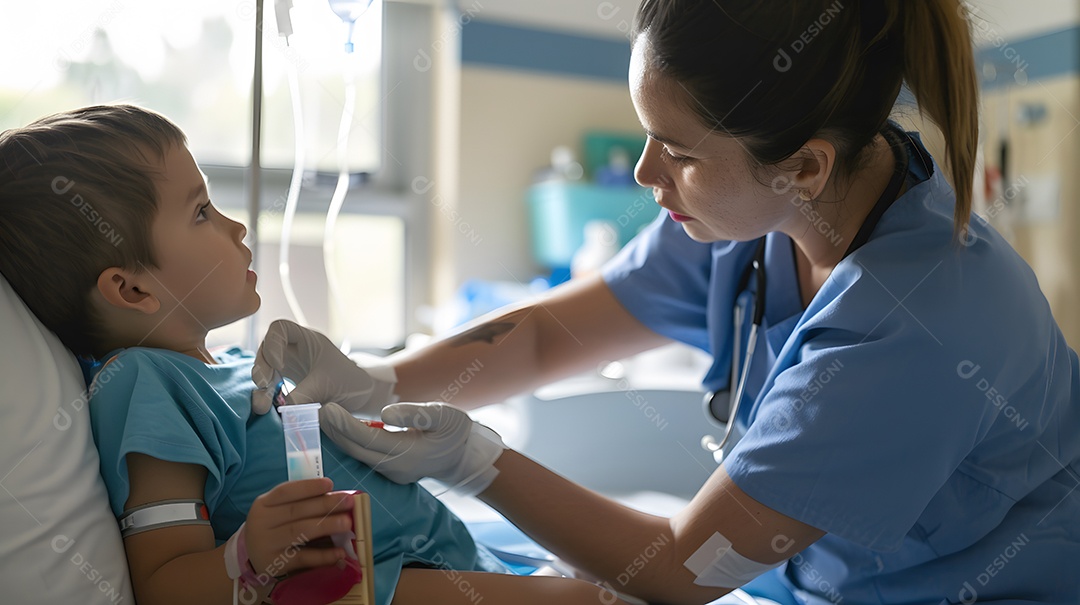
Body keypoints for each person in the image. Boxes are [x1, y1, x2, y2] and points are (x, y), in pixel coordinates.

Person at [254, 1, 1080, 604]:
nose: (648, 174)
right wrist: (376, 381)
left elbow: (684, 569)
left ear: (804, 167)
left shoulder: (918, 327)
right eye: (649, 134)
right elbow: (549, 334)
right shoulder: (748, 214)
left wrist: (474, 460)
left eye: (678, 152)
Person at [0, 105, 631, 605]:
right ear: (132, 289)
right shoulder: (148, 384)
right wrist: (245, 556)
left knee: (594, 581)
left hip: (439, 554)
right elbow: (164, 582)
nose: (236, 227)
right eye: (201, 212)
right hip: (374, 583)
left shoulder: (233, 367)